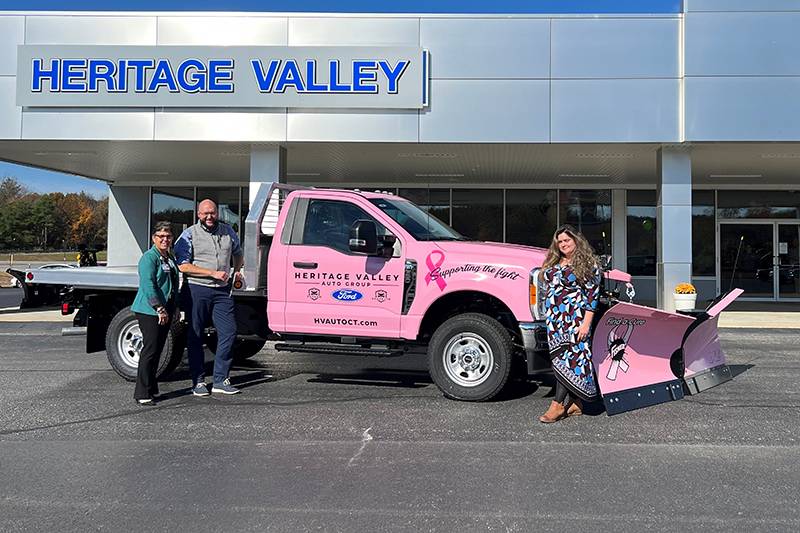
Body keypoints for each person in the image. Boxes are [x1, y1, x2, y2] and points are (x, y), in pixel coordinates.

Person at [174, 199, 244, 396]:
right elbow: (183, 265)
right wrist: (212, 273)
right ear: (198, 214)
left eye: (212, 213)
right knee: (195, 336)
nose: (209, 217)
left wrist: (237, 271)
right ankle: (198, 382)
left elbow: (238, 253)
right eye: (205, 213)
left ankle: (221, 379)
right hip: (197, 289)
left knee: (229, 332)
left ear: (217, 213)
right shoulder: (188, 235)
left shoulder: (228, 231)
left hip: (223, 291)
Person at [538, 224, 602, 423]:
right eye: (560, 242)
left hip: (575, 321)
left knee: (570, 361)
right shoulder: (556, 261)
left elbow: (592, 297)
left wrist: (586, 325)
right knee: (559, 360)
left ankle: (557, 405)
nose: (563, 244)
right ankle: (576, 404)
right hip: (555, 322)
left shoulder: (589, 264)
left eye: (567, 240)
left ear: (576, 241)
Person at [131, 221, 179, 405]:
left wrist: (174, 308)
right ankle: (142, 393)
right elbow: (148, 284)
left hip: (165, 310)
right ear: (154, 238)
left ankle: (152, 388)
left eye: (168, 236)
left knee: (158, 350)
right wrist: (158, 307)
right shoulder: (148, 258)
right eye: (161, 236)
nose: (165, 239)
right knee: (149, 351)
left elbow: (173, 285)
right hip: (149, 311)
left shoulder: (168, 258)